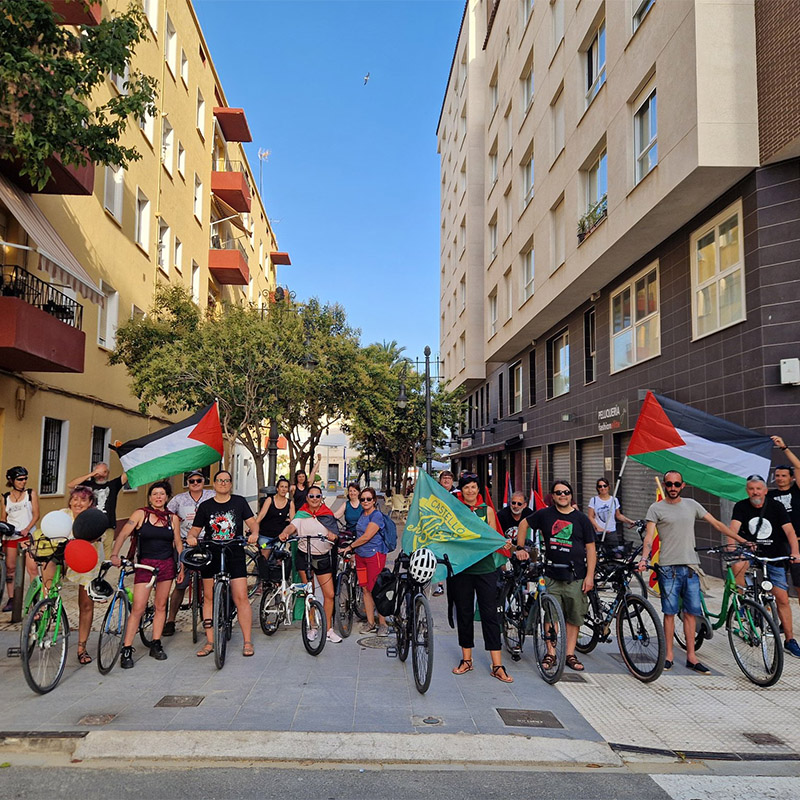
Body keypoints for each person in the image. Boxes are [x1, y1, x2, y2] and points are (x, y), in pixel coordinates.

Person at [637, 470, 735, 674]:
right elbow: (649, 537)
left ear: (683, 485)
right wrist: (644, 559)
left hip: (691, 567)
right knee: (670, 613)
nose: (672, 487)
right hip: (668, 568)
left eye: (676, 484)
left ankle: (692, 657)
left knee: (691, 613)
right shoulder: (656, 508)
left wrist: (741, 540)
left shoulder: (692, 505)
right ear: (665, 485)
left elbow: (717, 524)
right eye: (669, 484)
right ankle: (669, 656)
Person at [516, 480, 596, 672]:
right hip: (551, 575)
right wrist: (520, 548)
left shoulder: (581, 519)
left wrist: (590, 576)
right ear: (552, 496)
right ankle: (550, 653)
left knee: (574, 617)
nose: (562, 495)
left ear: (571, 495)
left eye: (566, 492)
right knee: (551, 616)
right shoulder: (545, 514)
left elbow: (591, 549)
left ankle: (569, 654)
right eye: (558, 492)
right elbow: (523, 523)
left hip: (576, 576)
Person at [448, 473, 514, 682]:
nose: (470, 491)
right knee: (464, 613)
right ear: (461, 490)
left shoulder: (488, 511)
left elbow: (492, 537)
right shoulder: (455, 510)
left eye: (473, 487)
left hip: (486, 569)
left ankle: (497, 665)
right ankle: (467, 660)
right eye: (466, 487)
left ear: (479, 490)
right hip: (462, 568)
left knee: (490, 615)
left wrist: (503, 543)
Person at [187, 470, 260, 658]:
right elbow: (195, 530)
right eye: (219, 480)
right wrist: (191, 537)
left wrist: (254, 534)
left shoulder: (239, 502)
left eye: (227, 480)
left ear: (230, 484)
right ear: (214, 483)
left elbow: (252, 523)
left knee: (241, 597)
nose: (223, 483)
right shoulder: (205, 506)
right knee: (208, 597)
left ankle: (247, 641)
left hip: (234, 551)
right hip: (211, 552)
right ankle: (210, 641)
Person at [727, 474, 800, 659]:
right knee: (738, 565)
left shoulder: (776, 506)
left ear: (765, 491)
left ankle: (790, 640)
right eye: (751, 489)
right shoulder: (741, 506)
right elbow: (733, 529)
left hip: (773, 555)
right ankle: (741, 603)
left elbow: (790, 531)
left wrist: (796, 552)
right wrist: (732, 548)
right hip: (750, 552)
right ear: (747, 491)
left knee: (782, 598)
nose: (755, 492)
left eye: (758, 489)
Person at [111, 482, 182, 668]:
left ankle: (156, 643)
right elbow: (123, 534)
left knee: (161, 605)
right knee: (138, 607)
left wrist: (181, 565)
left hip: (166, 565)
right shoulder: (140, 514)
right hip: (145, 565)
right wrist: (114, 555)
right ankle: (127, 648)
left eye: (162, 494)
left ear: (167, 497)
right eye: (155, 494)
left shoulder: (172, 518)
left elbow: (177, 543)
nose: (158, 497)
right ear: (150, 498)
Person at [278, 486, 343, 644]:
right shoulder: (302, 514)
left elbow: (335, 534)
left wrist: (333, 536)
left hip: (322, 558)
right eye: (311, 496)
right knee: (310, 593)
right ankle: (312, 626)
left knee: (329, 594)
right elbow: (292, 526)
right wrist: (285, 532)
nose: (314, 499)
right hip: (304, 557)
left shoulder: (327, 514)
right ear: (307, 498)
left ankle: (328, 629)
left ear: (321, 498)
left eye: (317, 496)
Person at [161, 470, 215, 637]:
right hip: (185, 543)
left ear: (204, 481)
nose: (195, 483)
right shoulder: (179, 499)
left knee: (210, 582)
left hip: (207, 542)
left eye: (199, 480)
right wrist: (172, 532)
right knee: (181, 584)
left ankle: (210, 617)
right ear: (188, 483)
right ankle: (170, 620)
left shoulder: (211, 495)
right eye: (192, 481)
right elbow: (166, 515)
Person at [61, 485, 104, 665]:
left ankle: (81, 647)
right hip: (62, 557)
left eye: (83, 500)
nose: (78, 503)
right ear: (70, 501)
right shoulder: (62, 515)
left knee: (86, 604)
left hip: (88, 558)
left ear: (90, 503)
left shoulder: (93, 519)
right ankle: (44, 607)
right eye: (75, 499)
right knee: (47, 567)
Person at [339, 487, 389, 636]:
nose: (365, 501)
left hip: (375, 555)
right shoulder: (362, 514)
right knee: (365, 589)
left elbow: (367, 536)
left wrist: (350, 547)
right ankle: (370, 622)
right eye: (362, 499)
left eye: (368, 499)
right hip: (361, 556)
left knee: (377, 590)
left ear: (374, 500)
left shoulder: (376, 515)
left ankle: (383, 623)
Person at [68, 462, 127, 558]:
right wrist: (91, 474)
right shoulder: (88, 485)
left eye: (104, 472)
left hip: (108, 526)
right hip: (91, 527)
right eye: (98, 472)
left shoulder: (113, 485)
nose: (101, 475)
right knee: (92, 553)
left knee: (107, 555)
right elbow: (71, 484)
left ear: (108, 473)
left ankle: (105, 568)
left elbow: (128, 474)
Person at [1, 466, 39, 611]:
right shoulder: (6, 497)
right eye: (20, 479)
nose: (23, 481)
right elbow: (3, 518)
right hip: (11, 537)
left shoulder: (30, 494)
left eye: (25, 478)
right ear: (12, 480)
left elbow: (36, 514)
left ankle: (36, 597)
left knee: (32, 569)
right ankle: (12, 598)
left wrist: (27, 529)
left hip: (27, 536)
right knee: (10, 569)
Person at [768, 436, 800, 602]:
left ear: (791, 478)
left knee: (799, 584)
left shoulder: (797, 491)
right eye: (777, 475)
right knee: (776, 585)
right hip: (778, 544)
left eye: (784, 475)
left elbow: (798, 466)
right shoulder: (769, 496)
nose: (780, 478)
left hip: (797, 543)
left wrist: (784, 448)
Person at [254, 476, 295, 560]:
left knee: (279, 560)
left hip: (279, 537)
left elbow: (293, 521)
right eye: (281, 486)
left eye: (286, 487)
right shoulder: (270, 500)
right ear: (277, 488)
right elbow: (261, 515)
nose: (283, 489)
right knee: (264, 560)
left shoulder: (290, 503)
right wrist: (253, 527)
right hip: (265, 536)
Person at [432, 470, 458, 596]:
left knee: (453, 556)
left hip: (454, 530)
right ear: (440, 480)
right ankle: (440, 585)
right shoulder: (435, 493)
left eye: (449, 478)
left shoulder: (457, 494)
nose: (446, 480)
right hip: (439, 529)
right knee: (440, 555)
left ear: (452, 481)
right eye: (444, 478)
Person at [587, 478, 634, 543]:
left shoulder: (614, 500)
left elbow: (618, 515)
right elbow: (590, 516)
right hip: (598, 532)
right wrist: (597, 527)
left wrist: (630, 521)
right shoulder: (594, 500)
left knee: (613, 548)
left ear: (608, 487)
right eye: (600, 486)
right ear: (597, 488)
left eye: (605, 486)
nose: (603, 488)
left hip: (611, 531)